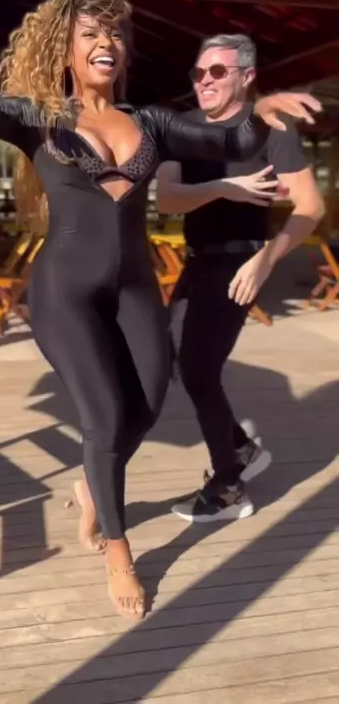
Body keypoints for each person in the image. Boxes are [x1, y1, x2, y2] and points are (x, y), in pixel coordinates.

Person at [0, 0, 321, 618]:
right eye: (90, 33)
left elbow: (231, 143)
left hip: (134, 288)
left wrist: (262, 109)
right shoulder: (36, 116)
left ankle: (91, 487)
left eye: (113, 33)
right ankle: (118, 549)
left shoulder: (152, 122)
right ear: (65, 48)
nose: (105, 42)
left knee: (151, 400)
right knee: (105, 420)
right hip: (65, 293)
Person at [156, 33, 325, 524]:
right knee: (178, 361)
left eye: (217, 71)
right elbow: (168, 198)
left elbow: (310, 206)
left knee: (199, 369)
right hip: (197, 260)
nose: (204, 80)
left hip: (241, 263)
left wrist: (266, 260)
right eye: (198, 72)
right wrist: (224, 187)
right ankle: (240, 449)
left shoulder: (272, 128)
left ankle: (229, 485)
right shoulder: (181, 127)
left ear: (247, 76)